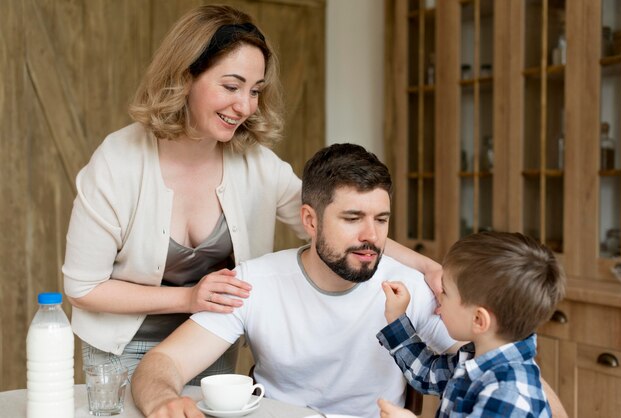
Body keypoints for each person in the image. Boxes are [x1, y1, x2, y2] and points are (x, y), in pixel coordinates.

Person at [61, 5, 441, 381]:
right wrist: (187, 298)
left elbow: (336, 223)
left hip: (212, 340)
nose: (244, 106)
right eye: (231, 86)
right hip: (120, 346)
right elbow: (83, 288)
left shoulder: (257, 165)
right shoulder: (117, 162)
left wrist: (427, 268)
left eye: (255, 90)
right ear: (185, 76)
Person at [131, 143, 458, 418]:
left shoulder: (410, 287)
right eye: (352, 218)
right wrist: (162, 400)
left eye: (381, 220)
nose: (371, 236)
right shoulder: (256, 282)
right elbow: (164, 361)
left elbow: (480, 366)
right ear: (310, 221)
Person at [377, 231, 567, 418]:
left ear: (478, 320)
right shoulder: (475, 358)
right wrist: (397, 320)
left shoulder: (508, 393)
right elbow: (426, 373)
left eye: (445, 292)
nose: (438, 295)